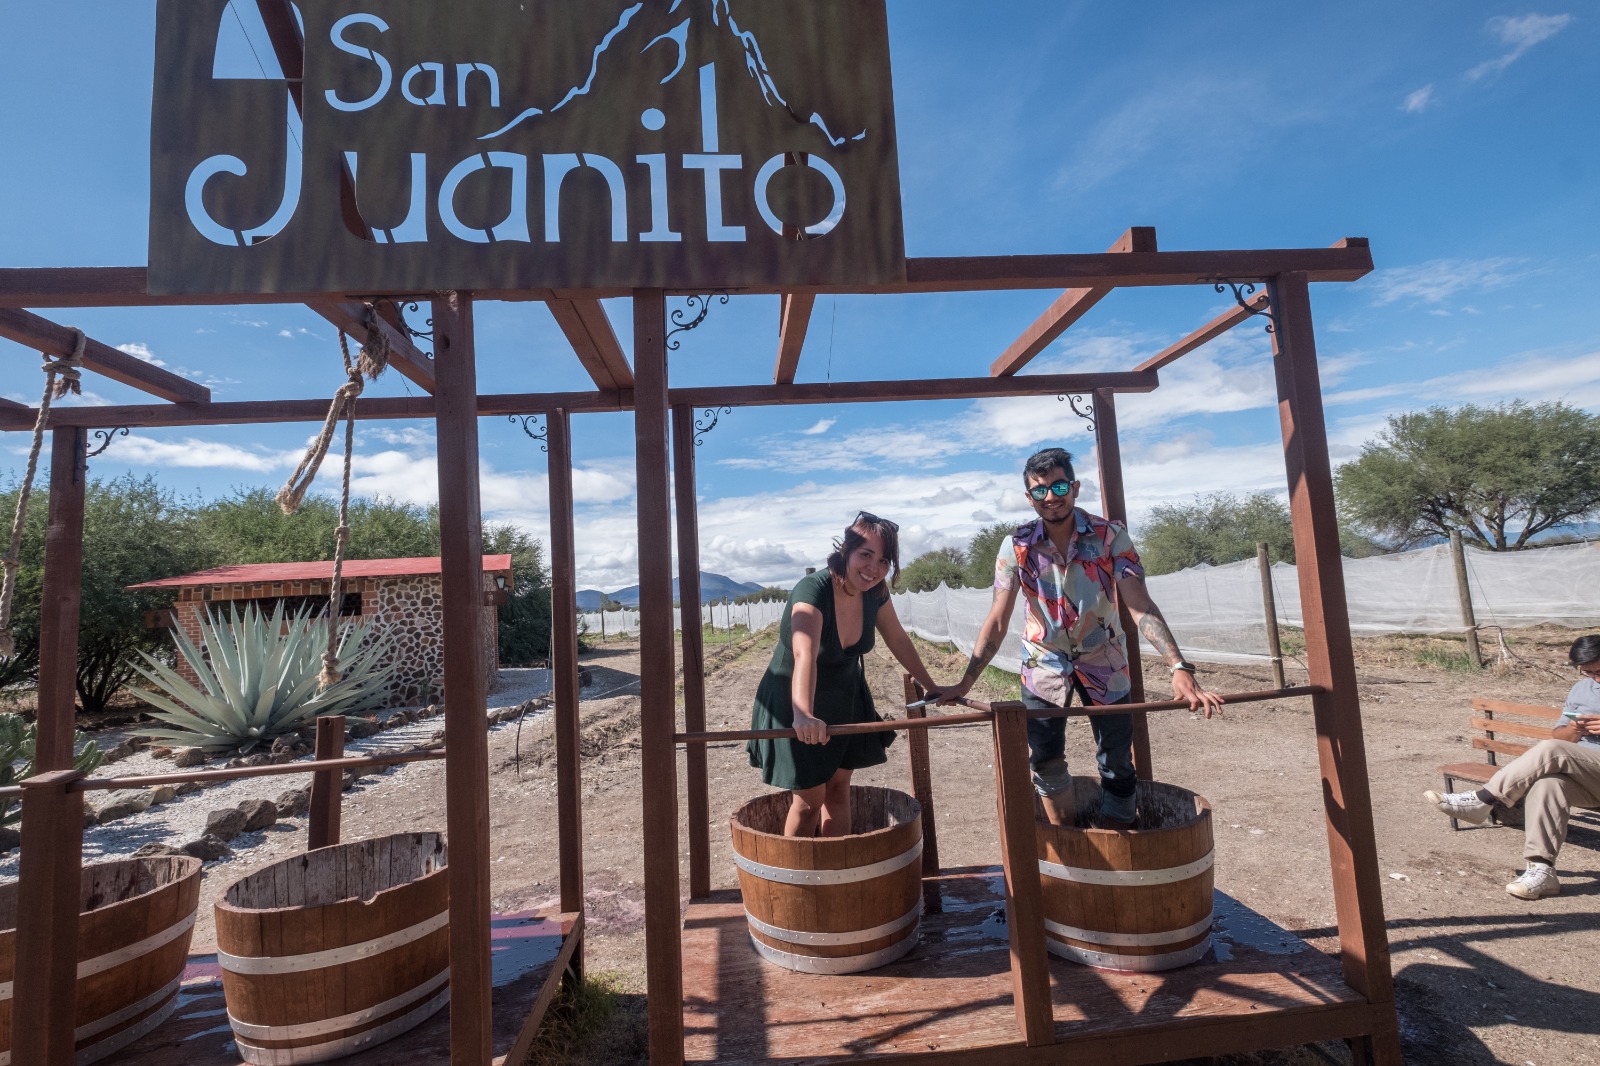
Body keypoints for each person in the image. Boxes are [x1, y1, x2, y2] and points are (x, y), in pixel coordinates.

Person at [942, 447, 1224, 828]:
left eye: (1059, 486)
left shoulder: (1111, 538)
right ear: (1029, 497)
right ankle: (1068, 842)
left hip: (1103, 659)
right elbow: (998, 617)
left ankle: (1116, 839)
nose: (1051, 496)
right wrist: (965, 680)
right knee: (1044, 757)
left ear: (1074, 487)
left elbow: (1139, 605)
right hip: (1043, 662)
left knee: (1117, 757)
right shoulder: (1017, 546)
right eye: (1040, 490)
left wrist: (1179, 666)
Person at [748, 512, 949, 838]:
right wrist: (803, 714)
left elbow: (898, 638)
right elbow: (805, 655)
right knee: (810, 798)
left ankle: (837, 874)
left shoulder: (876, 592)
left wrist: (932, 686)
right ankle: (796, 882)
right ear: (845, 551)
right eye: (865, 555)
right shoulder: (811, 593)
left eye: (883, 560)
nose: (874, 569)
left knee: (839, 789)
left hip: (845, 697)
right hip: (795, 698)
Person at [1425, 634, 1600, 900]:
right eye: (1588, 672)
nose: (1595, 678)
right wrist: (1574, 730)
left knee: (1551, 750)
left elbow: (1554, 747)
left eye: (1599, 671)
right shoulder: (1580, 690)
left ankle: (1483, 799)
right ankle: (1542, 870)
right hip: (1589, 776)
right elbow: (1560, 735)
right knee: (1548, 785)